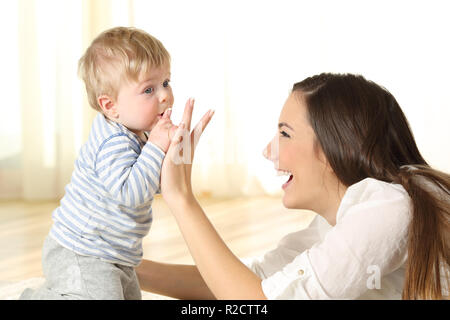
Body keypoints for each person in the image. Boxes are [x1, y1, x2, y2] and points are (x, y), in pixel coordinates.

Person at [136, 73, 450, 300]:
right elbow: (251, 282)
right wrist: (125, 266)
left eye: (285, 134)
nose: (269, 151)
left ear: (334, 146)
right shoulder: (345, 218)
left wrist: (181, 198)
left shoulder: (391, 207)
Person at [19, 26, 191, 299]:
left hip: (115, 253)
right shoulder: (114, 143)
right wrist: (158, 146)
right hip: (81, 251)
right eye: (149, 89)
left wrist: (177, 149)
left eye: (166, 83)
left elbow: (156, 185)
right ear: (110, 106)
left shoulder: (138, 133)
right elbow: (130, 194)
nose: (164, 96)